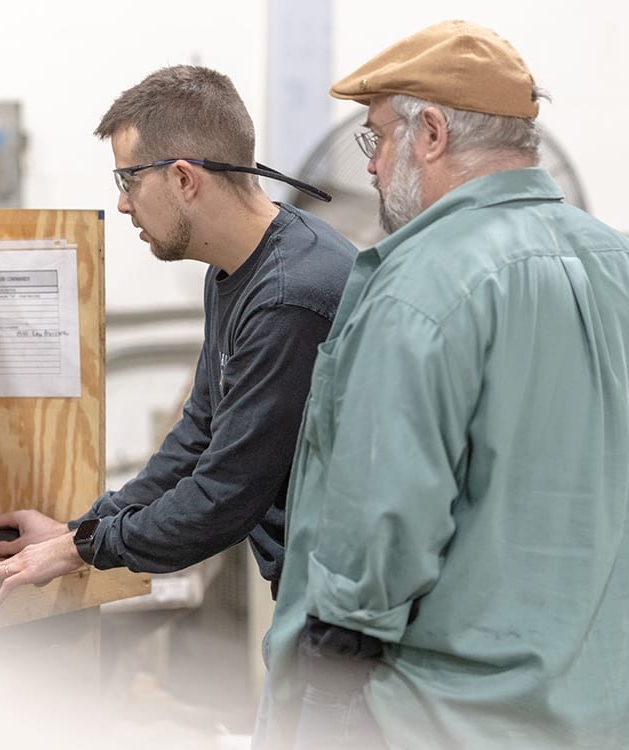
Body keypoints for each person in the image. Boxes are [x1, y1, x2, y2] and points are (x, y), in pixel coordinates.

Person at [260, 19, 629, 750]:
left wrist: (322, 691)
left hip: (441, 718)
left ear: (431, 133)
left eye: (377, 138)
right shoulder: (614, 263)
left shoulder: (420, 285)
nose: (368, 167)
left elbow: (379, 523)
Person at [0, 65, 357, 609]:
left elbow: (222, 498)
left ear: (183, 179)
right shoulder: (236, 269)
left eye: (128, 180)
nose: (123, 203)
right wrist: (79, 530)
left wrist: (82, 549)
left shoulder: (289, 296)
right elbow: (198, 434)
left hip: (342, 603)